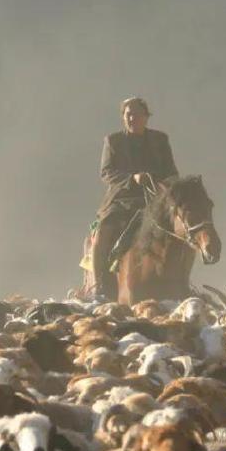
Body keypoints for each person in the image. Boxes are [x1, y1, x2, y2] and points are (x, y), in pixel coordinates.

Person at [91, 97, 178, 301]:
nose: (131, 118)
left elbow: (172, 171)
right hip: (121, 198)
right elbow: (107, 172)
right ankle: (98, 285)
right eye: (127, 114)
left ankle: (179, 280)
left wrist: (164, 185)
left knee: (182, 229)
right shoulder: (113, 141)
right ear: (123, 117)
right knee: (103, 230)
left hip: (155, 198)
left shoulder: (160, 140)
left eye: (136, 114)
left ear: (146, 117)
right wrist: (132, 178)